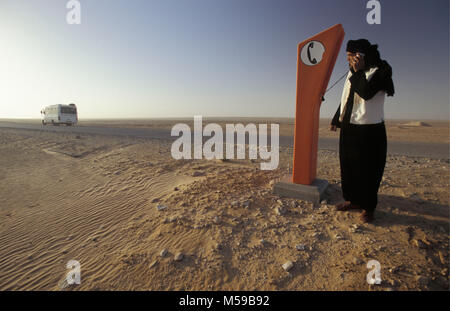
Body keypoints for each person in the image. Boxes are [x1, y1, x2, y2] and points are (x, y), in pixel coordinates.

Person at [330, 39, 395, 223]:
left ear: (362, 56)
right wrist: (337, 119)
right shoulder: (354, 72)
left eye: (351, 56)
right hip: (350, 128)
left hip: (370, 130)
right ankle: (353, 200)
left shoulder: (381, 71)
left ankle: (368, 207)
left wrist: (358, 71)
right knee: (349, 167)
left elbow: (366, 92)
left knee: (368, 171)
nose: (349, 60)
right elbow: (348, 97)